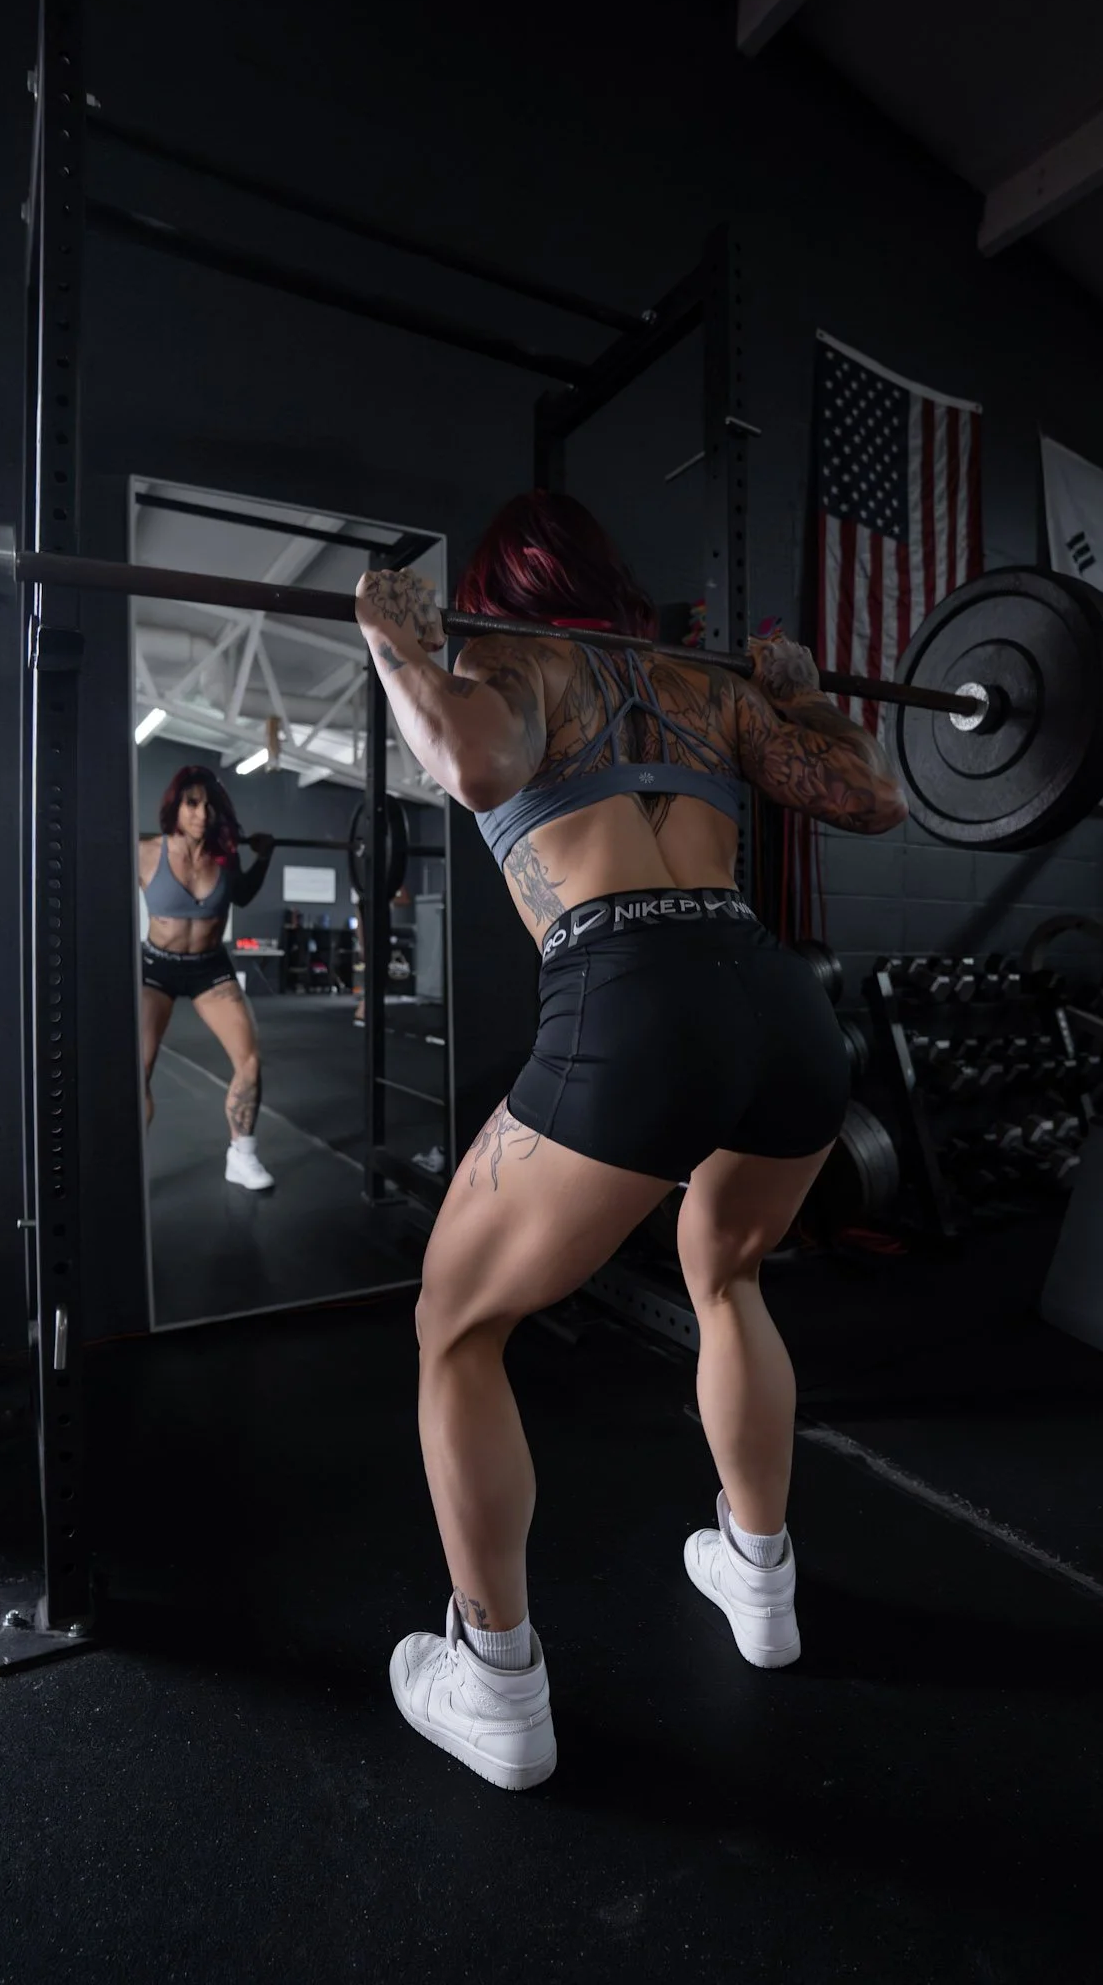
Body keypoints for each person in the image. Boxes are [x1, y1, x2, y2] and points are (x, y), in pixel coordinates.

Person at [355, 493, 907, 1791]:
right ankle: (760, 1587)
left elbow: (473, 764)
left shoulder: (505, 657)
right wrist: (805, 694)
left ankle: (494, 1687)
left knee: (454, 1323)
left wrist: (392, 637)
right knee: (728, 1277)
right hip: (776, 1007)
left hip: (636, 1001)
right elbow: (873, 797)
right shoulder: (697, 683)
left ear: (499, 589)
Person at [139, 765, 277, 1191]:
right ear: (175, 807)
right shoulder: (145, 851)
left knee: (250, 1062)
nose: (201, 813)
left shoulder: (226, 856)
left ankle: (242, 1155)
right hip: (156, 968)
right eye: (192, 803)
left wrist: (265, 856)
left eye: (209, 805)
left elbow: (244, 895)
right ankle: (128, 1162)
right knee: (136, 1070)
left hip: (210, 968)